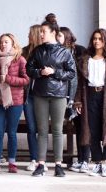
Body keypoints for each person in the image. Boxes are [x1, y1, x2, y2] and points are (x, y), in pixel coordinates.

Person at [26, 19, 76, 177]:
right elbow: (29, 69)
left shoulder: (65, 51)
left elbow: (72, 73)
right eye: (40, 31)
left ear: (53, 33)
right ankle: (40, 164)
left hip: (59, 95)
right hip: (40, 94)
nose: (41, 34)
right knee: (41, 130)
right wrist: (40, 72)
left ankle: (58, 165)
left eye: (44, 31)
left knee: (57, 130)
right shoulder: (38, 50)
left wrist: (54, 72)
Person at [72, 28, 106, 177]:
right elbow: (79, 82)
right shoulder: (85, 59)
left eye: (100, 39)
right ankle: (97, 162)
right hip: (89, 96)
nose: (97, 41)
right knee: (92, 130)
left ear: (105, 41)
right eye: (95, 38)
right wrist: (78, 102)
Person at [0, 33, 28, 173]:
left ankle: (12, 163)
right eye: (1, 42)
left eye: (6, 42)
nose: (3, 44)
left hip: (15, 102)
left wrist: (8, 78)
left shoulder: (20, 59)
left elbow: (26, 80)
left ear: (13, 44)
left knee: (11, 132)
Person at [58, 26, 89, 172]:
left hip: (80, 95)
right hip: (66, 95)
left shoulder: (80, 50)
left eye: (60, 36)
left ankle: (85, 160)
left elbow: (83, 75)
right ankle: (80, 158)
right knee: (78, 127)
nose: (57, 39)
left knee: (84, 128)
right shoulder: (58, 52)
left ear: (66, 36)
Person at [21, 23, 43, 170]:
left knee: (42, 129)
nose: (28, 36)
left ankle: (42, 160)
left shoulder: (45, 51)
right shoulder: (24, 51)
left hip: (42, 95)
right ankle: (33, 159)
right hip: (28, 95)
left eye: (30, 33)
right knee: (31, 127)